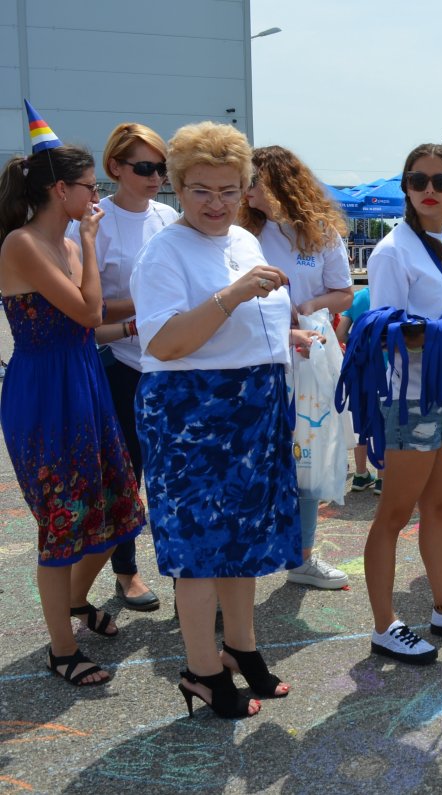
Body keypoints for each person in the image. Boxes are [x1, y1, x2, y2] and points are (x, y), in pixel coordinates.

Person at [132, 121, 310, 718]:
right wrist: (233, 296)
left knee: (246, 542)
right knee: (201, 550)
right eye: (201, 190)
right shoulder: (163, 251)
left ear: (245, 190)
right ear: (177, 189)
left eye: (229, 190)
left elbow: (239, 328)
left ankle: (242, 648)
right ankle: (202, 670)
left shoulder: (243, 241)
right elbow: (164, 342)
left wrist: (287, 335)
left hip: (253, 404)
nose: (216, 203)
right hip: (193, 413)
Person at [1, 132, 145, 687]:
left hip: (84, 382)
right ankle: (62, 650)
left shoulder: (59, 245)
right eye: (91, 188)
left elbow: (99, 315)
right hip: (44, 396)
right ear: (61, 190)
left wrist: (154, 305)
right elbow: (87, 312)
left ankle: (77, 603)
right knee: (61, 524)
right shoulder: (22, 245)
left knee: (116, 509)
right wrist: (89, 240)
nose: (97, 198)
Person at [362, 143, 442, 664]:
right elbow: (383, 331)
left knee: (440, 507)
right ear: (406, 187)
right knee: (393, 514)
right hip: (413, 398)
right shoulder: (393, 251)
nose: (430, 191)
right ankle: (384, 624)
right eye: (419, 182)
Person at [64, 122, 176, 612]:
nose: (156, 177)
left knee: (172, 475)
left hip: (171, 363)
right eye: (145, 167)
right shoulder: (92, 222)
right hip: (121, 364)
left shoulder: (171, 217)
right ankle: (126, 572)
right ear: (114, 168)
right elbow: (82, 305)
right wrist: (143, 307)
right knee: (126, 476)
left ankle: (184, 572)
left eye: (162, 167)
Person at [240, 144, 354, 589]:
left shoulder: (321, 231)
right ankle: (242, 561)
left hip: (310, 359)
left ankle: (302, 558)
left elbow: (343, 292)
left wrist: (308, 305)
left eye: (252, 181)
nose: (244, 191)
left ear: (278, 184)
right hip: (256, 359)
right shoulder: (241, 231)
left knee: (306, 461)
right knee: (258, 462)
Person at [337, 285, 383, 495]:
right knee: (384, 422)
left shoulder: (360, 296)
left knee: (361, 422)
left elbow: (340, 332)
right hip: (387, 368)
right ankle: (383, 476)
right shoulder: (393, 293)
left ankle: (360, 473)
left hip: (361, 368)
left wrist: (359, 345)